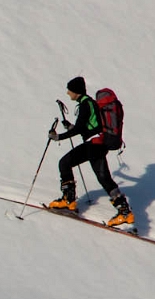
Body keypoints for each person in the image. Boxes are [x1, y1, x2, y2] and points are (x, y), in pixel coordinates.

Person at [47, 76, 133, 227]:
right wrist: (71, 127)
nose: (68, 93)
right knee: (104, 178)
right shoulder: (91, 103)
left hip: (93, 145)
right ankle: (125, 212)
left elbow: (81, 128)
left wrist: (59, 137)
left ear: (76, 91)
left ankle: (68, 200)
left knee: (64, 163)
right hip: (100, 144)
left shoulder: (86, 104)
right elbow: (89, 127)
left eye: (70, 90)